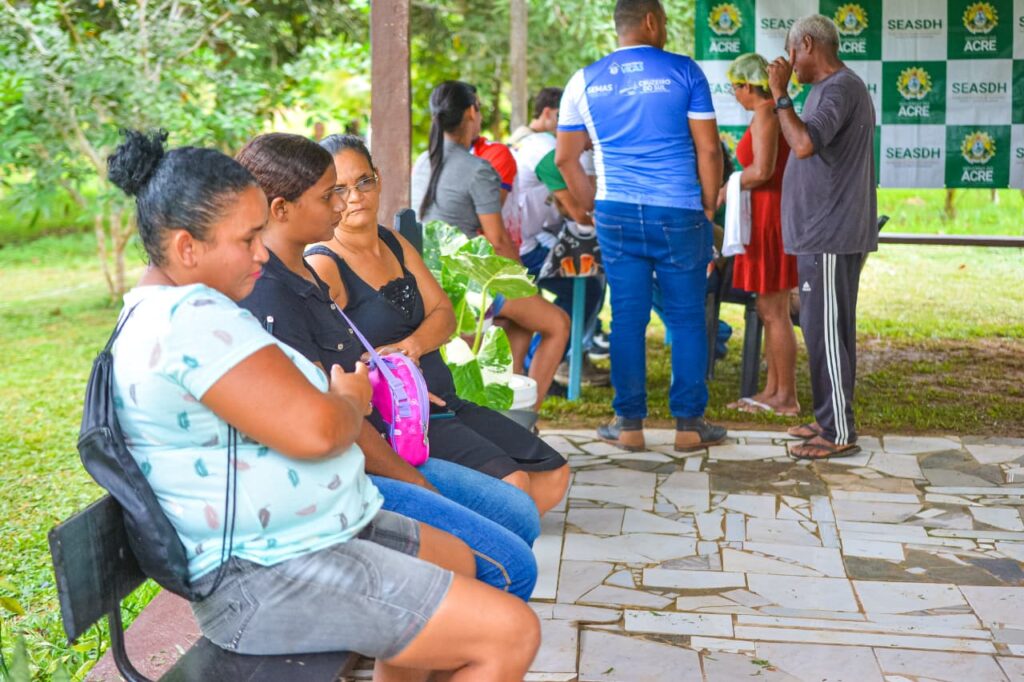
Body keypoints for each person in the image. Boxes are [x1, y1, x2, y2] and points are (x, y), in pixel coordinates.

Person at [104, 130, 539, 678]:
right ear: (187, 248)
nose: (262, 251)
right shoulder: (188, 322)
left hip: (306, 537)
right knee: (509, 631)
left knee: (458, 560)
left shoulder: (181, 309)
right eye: (248, 238)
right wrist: (350, 400)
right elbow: (319, 431)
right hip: (262, 573)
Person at [235, 133, 539, 601]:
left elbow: (355, 365)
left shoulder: (305, 272)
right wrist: (415, 481)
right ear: (281, 209)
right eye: (329, 194)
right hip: (351, 473)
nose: (343, 204)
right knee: (511, 565)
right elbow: (330, 420)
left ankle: (438, 639)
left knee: (520, 513)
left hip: (380, 441)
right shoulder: (273, 292)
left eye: (355, 186)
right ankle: (458, 641)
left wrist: (397, 388)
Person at [311, 133, 571, 516]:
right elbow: (318, 354)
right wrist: (386, 384)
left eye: (363, 181)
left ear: (378, 178)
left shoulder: (394, 243)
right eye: (340, 188)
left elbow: (444, 314)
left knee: (555, 474)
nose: (355, 197)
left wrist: (413, 345)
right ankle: (475, 554)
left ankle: (476, 544)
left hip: (444, 399)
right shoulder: (325, 263)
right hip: (400, 415)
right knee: (513, 490)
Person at [555, 0, 727, 452]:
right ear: (651, 21)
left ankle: (629, 425)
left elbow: (565, 159)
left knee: (627, 318)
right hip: (678, 211)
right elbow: (708, 151)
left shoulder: (583, 80)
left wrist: (595, 206)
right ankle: (689, 426)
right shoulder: (685, 72)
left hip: (616, 212)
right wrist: (708, 207)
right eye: (665, 22)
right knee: (688, 317)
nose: (665, 29)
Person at [411, 80, 570, 407]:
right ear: (471, 112)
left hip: (427, 279)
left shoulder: (422, 163)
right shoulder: (478, 169)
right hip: (467, 285)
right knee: (557, 323)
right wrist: (524, 282)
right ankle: (526, 417)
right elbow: (497, 241)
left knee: (520, 323)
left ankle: (503, 408)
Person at [767, 15, 878, 459]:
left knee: (825, 333)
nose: (789, 64)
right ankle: (829, 417)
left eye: (791, 54)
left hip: (828, 233)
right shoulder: (828, 90)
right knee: (826, 330)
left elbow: (804, 143)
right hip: (823, 232)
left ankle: (838, 432)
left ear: (806, 45)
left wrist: (779, 94)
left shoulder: (839, 88)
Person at [510, 86, 609, 387]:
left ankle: (552, 361)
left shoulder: (549, 145)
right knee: (588, 288)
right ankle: (545, 363)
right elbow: (579, 210)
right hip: (522, 250)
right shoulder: (544, 149)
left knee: (590, 284)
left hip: (533, 238)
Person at [722, 53, 799, 417]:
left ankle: (786, 396)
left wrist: (727, 186)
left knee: (775, 310)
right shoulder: (765, 113)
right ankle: (772, 391)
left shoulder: (767, 112)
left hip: (771, 216)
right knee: (769, 310)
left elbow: (763, 170)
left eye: (734, 87)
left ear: (747, 85)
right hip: (765, 215)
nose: (734, 95)